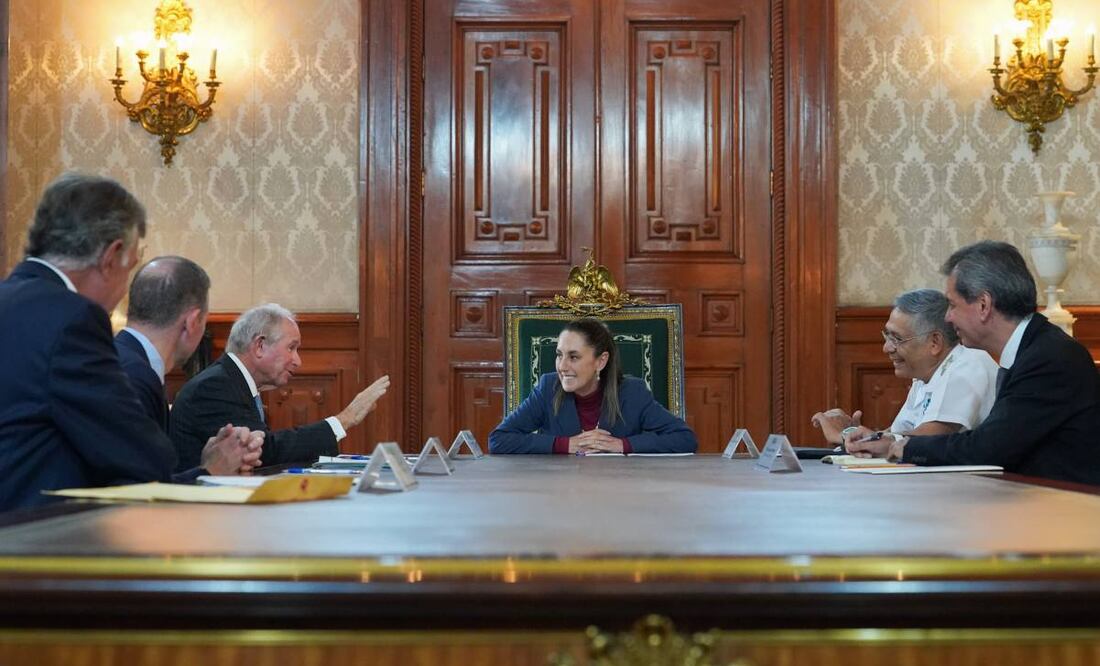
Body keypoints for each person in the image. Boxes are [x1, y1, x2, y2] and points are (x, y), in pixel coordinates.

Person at [0, 173, 259, 511]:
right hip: (36, 541)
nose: (125, 293)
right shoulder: (72, 318)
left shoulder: (11, 300)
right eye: (130, 269)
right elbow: (144, 458)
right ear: (112, 256)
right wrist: (208, 467)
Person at [846, 241, 1100, 485]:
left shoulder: (1049, 358)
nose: (947, 317)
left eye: (953, 305)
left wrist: (903, 447)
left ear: (983, 305)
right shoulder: (1033, 349)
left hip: (1069, 512)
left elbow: (990, 447)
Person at [169, 303, 391, 470]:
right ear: (260, 346)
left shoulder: (234, 381)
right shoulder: (214, 386)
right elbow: (266, 452)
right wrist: (344, 419)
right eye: (291, 348)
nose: (298, 361)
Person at [117, 256, 263, 478]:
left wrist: (208, 461)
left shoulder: (123, 359)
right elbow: (136, 494)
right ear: (193, 322)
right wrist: (211, 471)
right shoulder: (133, 377)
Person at [811, 289, 998, 445]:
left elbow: (930, 439)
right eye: (887, 336)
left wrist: (848, 438)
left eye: (897, 339)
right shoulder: (925, 376)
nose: (887, 348)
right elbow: (898, 434)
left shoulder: (968, 365)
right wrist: (853, 433)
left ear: (934, 342)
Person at [489, 318, 697, 454]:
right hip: (558, 495)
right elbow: (498, 440)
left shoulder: (633, 393)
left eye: (574, 357)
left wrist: (623, 445)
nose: (562, 366)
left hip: (621, 495)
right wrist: (564, 444)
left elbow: (685, 438)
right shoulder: (547, 388)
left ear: (601, 361)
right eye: (559, 355)